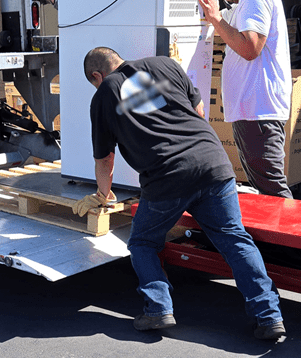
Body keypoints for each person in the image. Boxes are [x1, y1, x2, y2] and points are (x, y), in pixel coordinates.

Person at [72, 47, 285, 341]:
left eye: (94, 82)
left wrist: (102, 194)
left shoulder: (106, 91)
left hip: (167, 177)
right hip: (213, 163)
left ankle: (158, 309)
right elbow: (197, 112)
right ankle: (270, 316)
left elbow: (105, 158)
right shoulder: (166, 65)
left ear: (97, 75)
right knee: (234, 240)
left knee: (143, 243)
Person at [198, 0, 293, 199]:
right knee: (265, 188)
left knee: (273, 191)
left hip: (258, 112)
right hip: (252, 112)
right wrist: (216, 18)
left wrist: (216, 20)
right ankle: (275, 238)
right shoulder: (246, 2)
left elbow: (250, 47)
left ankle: (290, 237)